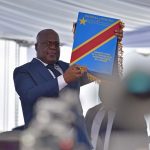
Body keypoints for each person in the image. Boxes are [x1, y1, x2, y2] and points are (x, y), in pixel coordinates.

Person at [13, 29, 92, 148]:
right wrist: (64, 79)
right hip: (45, 144)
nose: (53, 47)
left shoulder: (69, 67)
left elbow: (101, 73)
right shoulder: (24, 71)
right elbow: (29, 95)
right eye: (47, 43)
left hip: (79, 143)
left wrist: (113, 43)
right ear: (36, 46)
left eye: (56, 44)